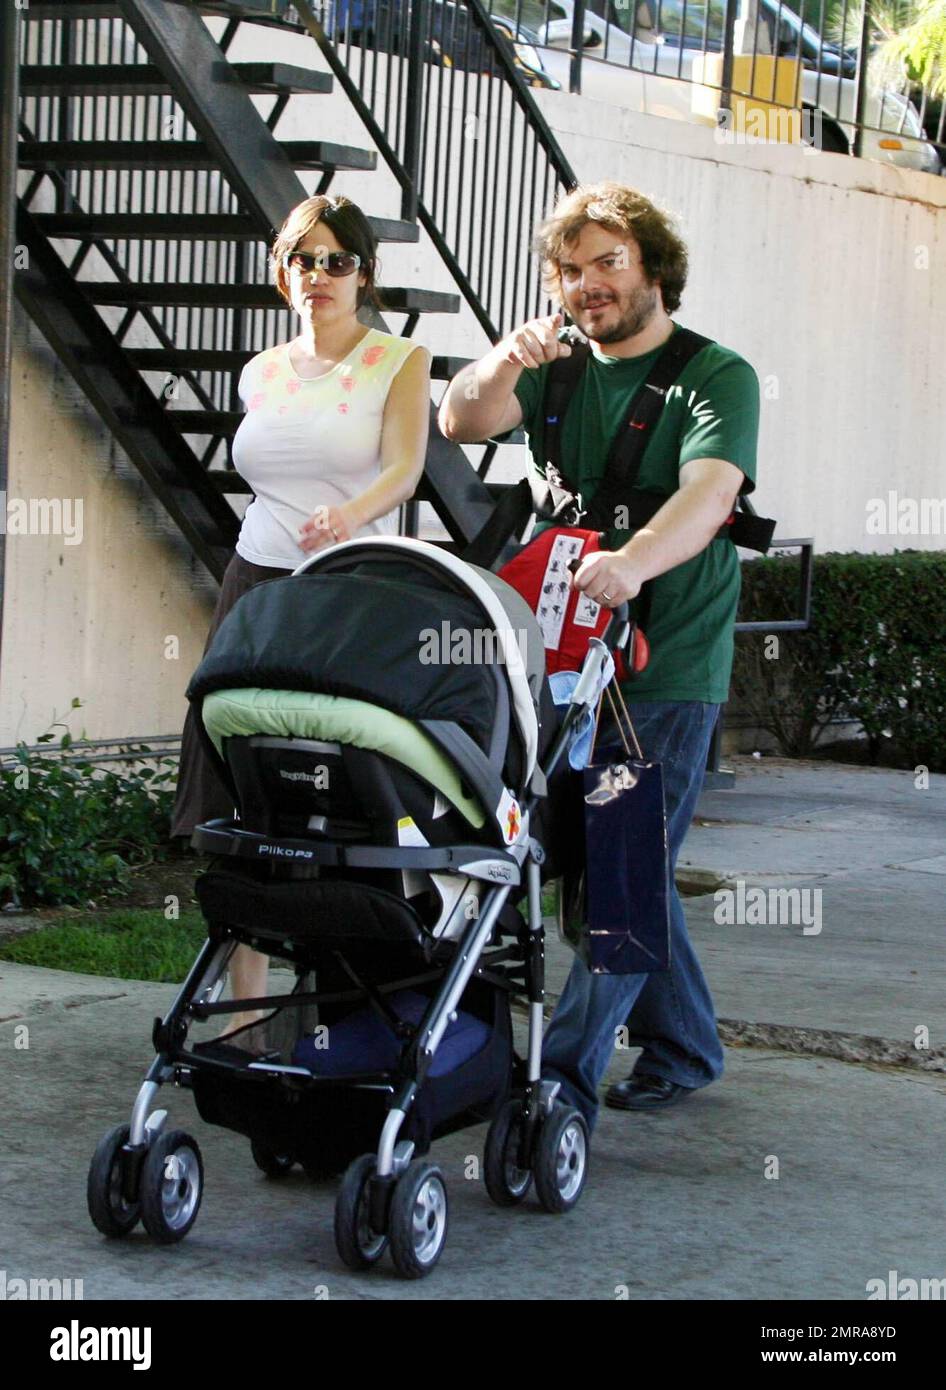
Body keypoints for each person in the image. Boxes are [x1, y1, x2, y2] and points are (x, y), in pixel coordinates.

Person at [438, 181, 759, 1131]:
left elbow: (708, 496)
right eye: (569, 271)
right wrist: (502, 357)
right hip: (556, 651)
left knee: (618, 877)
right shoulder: (555, 367)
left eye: (608, 262)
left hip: (665, 661)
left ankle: (559, 1082)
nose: (588, 286)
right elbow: (459, 421)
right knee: (606, 874)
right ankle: (689, 1043)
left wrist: (631, 562)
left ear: (655, 269)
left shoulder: (717, 375)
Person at [171, 193, 431, 1037]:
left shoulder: (398, 358)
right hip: (258, 584)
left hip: (348, 592)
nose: (317, 276)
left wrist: (351, 516)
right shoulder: (262, 370)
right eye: (302, 259)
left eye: (336, 261)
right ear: (282, 270)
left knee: (335, 789)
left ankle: (346, 991)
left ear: (364, 272)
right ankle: (244, 1002)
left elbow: (405, 468)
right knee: (237, 774)